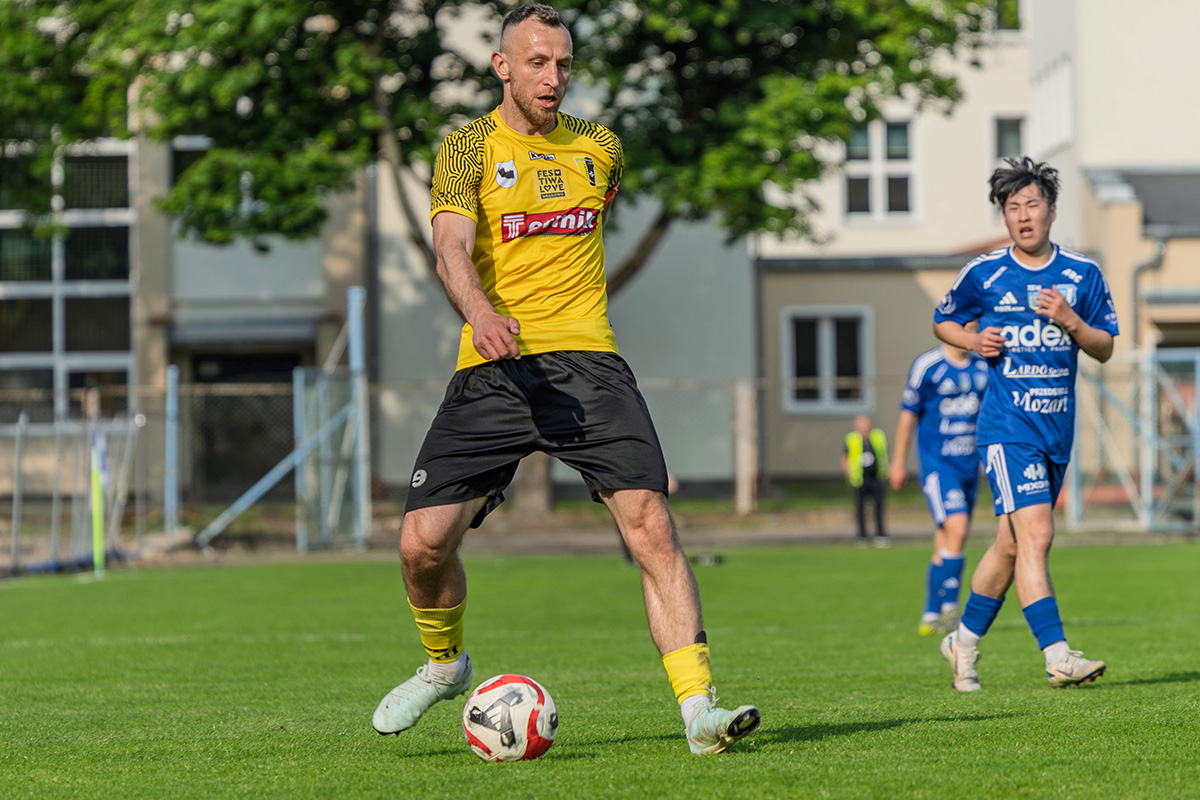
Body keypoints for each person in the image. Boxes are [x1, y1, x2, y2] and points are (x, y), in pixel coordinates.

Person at [371, 4, 759, 755]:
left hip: (589, 363)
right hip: (493, 366)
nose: (553, 77)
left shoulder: (600, 148)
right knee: (421, 545)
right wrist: (481, 313)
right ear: (502, 66)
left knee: (652, 526)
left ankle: (698, 711)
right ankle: (446, 664)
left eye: (564, 64)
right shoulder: (466, 148)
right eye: (538, 62)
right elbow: (451, 248)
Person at [932, 156, 1119, 691]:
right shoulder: (985, 272)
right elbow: (944, 320)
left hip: (1056, 431)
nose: (1022, 216)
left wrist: (1070, 319)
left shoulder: (1082, 274)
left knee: (1011, 546)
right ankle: (1058, 655)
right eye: (1012, 207)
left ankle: (963, 643)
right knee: (1038, 533)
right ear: (1005, 216)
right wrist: (973, 340)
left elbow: (1104, 347)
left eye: (1032, 205)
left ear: (1052, 211)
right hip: (1007, 428)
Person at [889, 335, 987, 636]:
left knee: (947, 539)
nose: (970, 330)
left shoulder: (983, 366)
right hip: (938, 464)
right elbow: (908, 416)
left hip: (969, 465)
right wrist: (898, 461)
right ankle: (950, 610)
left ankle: (930, 614)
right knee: (957, 528)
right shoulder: (928, 366)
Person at [841, 415, 889, 546]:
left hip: (877, 477)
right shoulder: (851, 439)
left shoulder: (878, 436)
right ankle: (862, 536)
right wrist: (848, 474)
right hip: (860, 479)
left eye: (866, 424)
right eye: (862, 424)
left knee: (878, 506)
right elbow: (845, 457)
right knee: (860, 508)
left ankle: (880, 534)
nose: (865, 427)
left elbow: (884, 454)